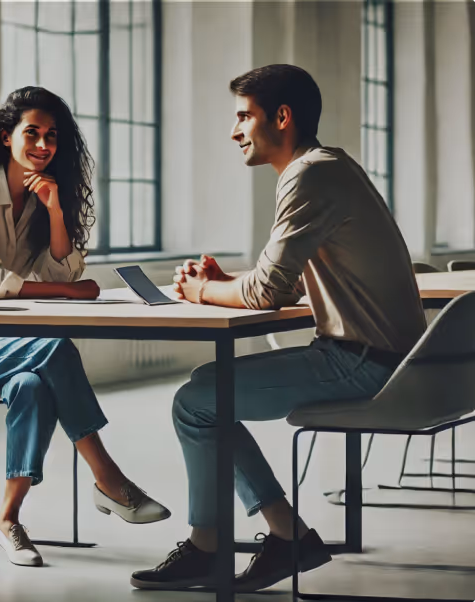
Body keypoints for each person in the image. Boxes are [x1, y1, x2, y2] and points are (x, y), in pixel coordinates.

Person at [131, 64, 426, 592]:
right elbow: (282, 283)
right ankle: (273, 538)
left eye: (245, 116)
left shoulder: (307, 174)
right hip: (388, 358)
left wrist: (203, 291)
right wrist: (226, 281)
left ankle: (216, 546)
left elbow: (265, 293)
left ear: (282, 117)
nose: (234, 130)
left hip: (363, 363)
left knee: (197, 400)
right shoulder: (330, 167)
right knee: (204, 389)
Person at [0, 86, 170, 567]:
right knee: (52, 348)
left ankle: (7, 520)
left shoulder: (38, 195)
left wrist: (52, 208)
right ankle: (108, 477)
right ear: (7, 135)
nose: (43, 145)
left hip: (5, 342)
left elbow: (61, 272)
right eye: (33, 133)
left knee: (31, 385)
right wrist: (69, 294)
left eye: (52, 137)